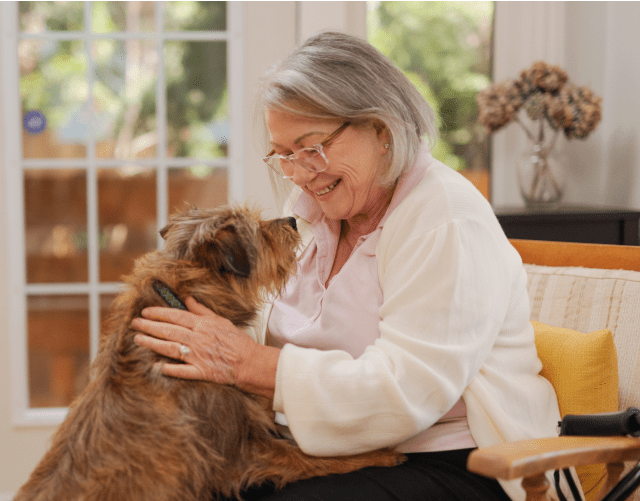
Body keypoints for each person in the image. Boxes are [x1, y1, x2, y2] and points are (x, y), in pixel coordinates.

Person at [132, 31, 580, 501]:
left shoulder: (444, 219)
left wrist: (250, 366)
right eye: (283, 155)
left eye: (312, 147)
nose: (301, 173)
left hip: (461, 461)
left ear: (381, 131)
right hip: (328, 450)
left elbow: (406, 393)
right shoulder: (315, 206)